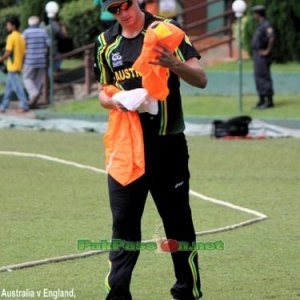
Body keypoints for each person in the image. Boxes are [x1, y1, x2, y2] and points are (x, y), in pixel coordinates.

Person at [94, 1, 207, 299]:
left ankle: (187, 290)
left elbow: (201, 78)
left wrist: (175, 65)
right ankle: (118, 294)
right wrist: (119, 99)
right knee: (124, 226)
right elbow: (102, 91)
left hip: (167, 148)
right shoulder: (106, 43)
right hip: (126, 150)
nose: (122, 14)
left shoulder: (165, 30)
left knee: (178, 224)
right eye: (114, 10)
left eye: (125, 5)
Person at [0, 16, 28, 113]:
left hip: (12, 66)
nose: (7, 27)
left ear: (13, 26)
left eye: (8, 25)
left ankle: (24, 106)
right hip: (18, 65)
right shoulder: (21, 37)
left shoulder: (11, 37)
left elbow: (8, 52)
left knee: (18, 88)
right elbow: (24, 53)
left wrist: (0, 59)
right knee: (8, 88)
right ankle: (3, 107)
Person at [251, 5, 275, 109]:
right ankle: (261, 99)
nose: (253, 16)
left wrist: (267, 51)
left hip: (263, 56)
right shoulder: (260, 25)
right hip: (257, 54)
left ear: (258, 14)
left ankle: (269, 101)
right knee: (258, 77)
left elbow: (272, 38)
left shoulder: (266, 25)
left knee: (264, 77)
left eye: (254, 13)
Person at [22, 16, 49, 108]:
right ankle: (34, 103)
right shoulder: (43, 32)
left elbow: (22, 46)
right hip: (41, 60)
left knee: (26, 78)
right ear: (38, 23)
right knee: (37, 81)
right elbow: (49, 44)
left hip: (30, 61)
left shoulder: (26, 32)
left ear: (29, 23)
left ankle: (33, 94)